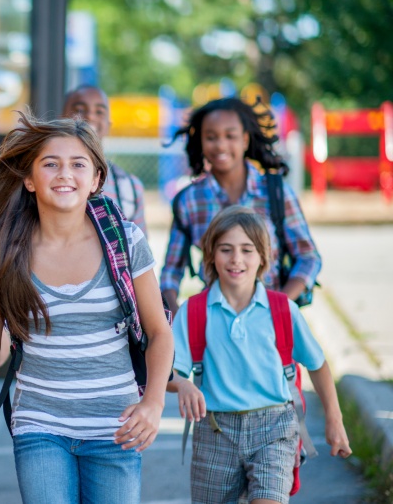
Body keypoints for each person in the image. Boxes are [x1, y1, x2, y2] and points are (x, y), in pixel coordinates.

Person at [0, 114, 174, 504]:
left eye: (78, 164)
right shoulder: (2, 253)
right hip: (40, 425)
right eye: (51, 163)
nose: (65, 173)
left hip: (116, 426)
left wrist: (154, 404)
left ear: (95, 179)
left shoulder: (124, 241)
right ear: (29, 179)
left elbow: (159, 332)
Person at [168, 206, 350, 503]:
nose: (236, 259)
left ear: (263, 257)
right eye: (225, 249)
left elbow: (317, 364)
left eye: (247, 250)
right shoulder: (194, 311)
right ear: (211, 255)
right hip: (215, 432)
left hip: (275, 428)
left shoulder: (282, 309)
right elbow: (168, 372)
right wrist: (183, 384)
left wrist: (335, 418)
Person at [160, 97, 321, 315]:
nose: (221, 144)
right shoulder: (188, 200)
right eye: (211, 137)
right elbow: (171, 273)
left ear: (245, 140)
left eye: (230, 136)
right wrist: (178, 320)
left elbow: (308, 257)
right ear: (200, 142)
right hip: (214, 324)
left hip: (271, 325)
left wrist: (278, 306)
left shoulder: (275, 192)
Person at [62, 84, 148, 236]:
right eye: (80, 109)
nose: (91, 116)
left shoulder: (130, 188)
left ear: (108, 125)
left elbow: (139, 252)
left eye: (99, 111)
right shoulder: (44, 178)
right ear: (61, 118)